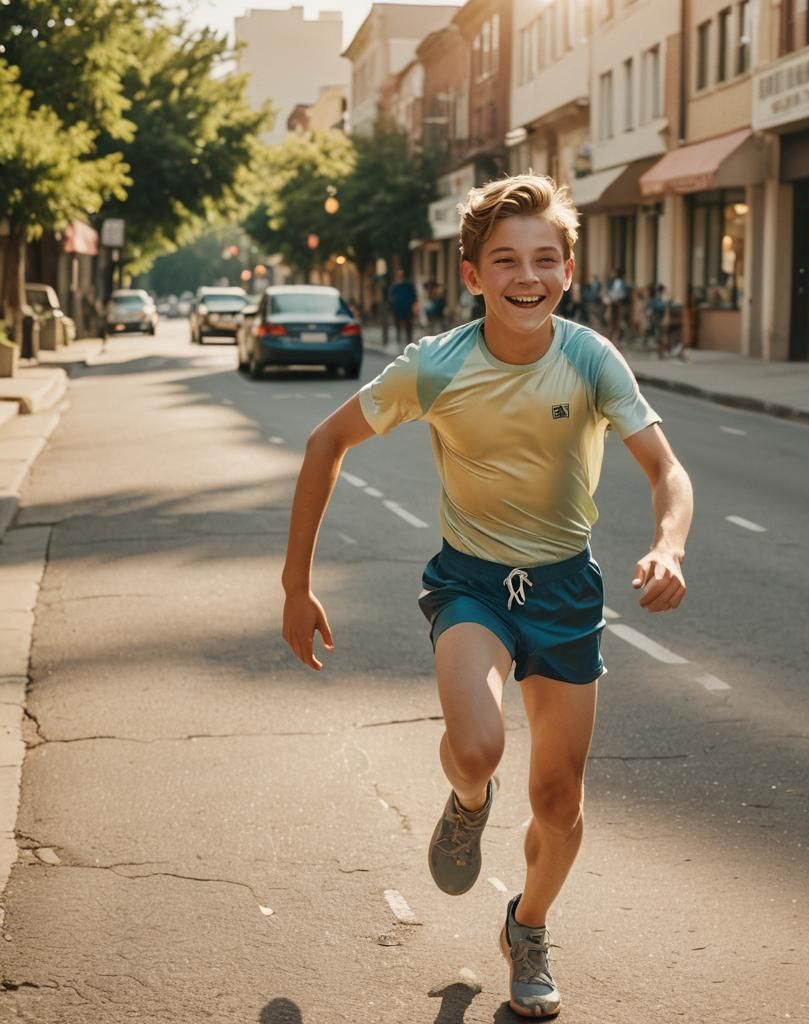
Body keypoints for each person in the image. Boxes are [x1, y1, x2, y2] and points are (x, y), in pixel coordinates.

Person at [280, 174, 693, 1019]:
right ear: (473, 275)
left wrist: (668, 543)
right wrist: (296, 585)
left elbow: (666, 469)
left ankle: (527, 925)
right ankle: (468, 804)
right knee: (476, 749)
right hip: (471, 583)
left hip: (566, 589)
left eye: (545, 258)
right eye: (505, 259)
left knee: (559, 802)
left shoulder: (589, 358)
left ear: (568, 271)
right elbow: (327, 443)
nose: (526, 275)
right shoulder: (435, 367)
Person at [388, 269, 418, 346]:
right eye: (400, 275)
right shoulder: (394, 287)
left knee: (408, 326)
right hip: (398, 309)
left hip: (407, 309)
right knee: (398, 325)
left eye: (402, 275)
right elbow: (391, 298)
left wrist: (414, 308)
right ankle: (399, 340)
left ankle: (409, 341)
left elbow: (414, 298)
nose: (401, 277)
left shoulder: (409, 286)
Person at [606, 267, 628, 347]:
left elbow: (623, 294)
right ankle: (611, 340)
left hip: (618, 304)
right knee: (611, 323)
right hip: (613, 303)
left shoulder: (622, 283)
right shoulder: (612, 282)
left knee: (617, 323)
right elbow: (610, 291)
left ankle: (615, 340)